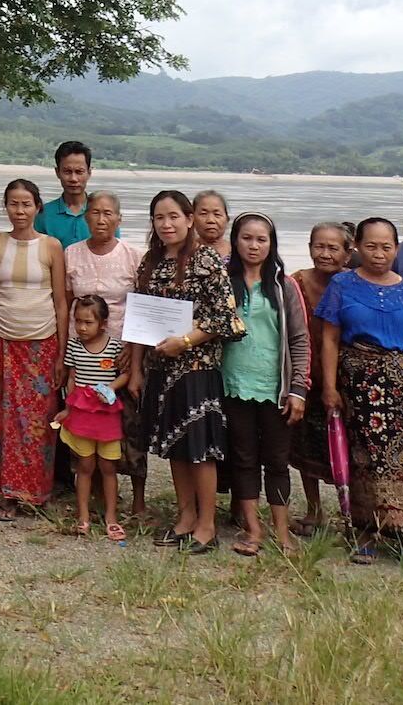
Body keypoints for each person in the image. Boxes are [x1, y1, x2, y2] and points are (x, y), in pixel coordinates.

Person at [316, 217, 403, 564]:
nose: (379, 254)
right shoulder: (342, 284)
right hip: (358, 385)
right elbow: (330, 338)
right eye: (371, 246)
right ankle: (365, 531)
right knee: (361, 458)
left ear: (397, 248)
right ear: (357, 248)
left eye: (386, 247)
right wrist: (330, 386)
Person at [135, 189, 235, 553]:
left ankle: (207, 524)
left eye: (174, 216)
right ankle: (185, 517)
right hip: (161, 366)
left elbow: (226, 317)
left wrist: (187, 341)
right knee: (175, 445)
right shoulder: (151, 261)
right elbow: (141, 314)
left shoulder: (207, 259)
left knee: (200, 448)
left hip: (196, 367)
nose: (167, 224)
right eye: (159, 218)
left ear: (189, 219)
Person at [221, 213, 310, 556]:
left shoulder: (283, 285)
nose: (254, 246)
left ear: (271, 244)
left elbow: (300, 340)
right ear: (235, 241)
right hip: (233, 383)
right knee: (243, 457)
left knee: (276, 459)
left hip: (276, 387)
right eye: (247, 238)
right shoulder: (224, 282)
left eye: (261, 239)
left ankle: (283, 532)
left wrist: (298, 389)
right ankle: (253, 530)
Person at [0, 178, 67, 521]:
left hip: (42, 342)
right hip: (1, 338)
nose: (19, 210)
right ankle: (8, 493)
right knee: (5, 420)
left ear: (37, 208)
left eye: (26, 204)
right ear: (6, 207)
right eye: (13, 204)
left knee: (38, 421)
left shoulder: (51, 246)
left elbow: (61, 302)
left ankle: (37, 493)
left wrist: (61, 353)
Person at [64, 190, 146, 522]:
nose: (101, 219)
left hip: (125, 351)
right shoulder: (71, 254)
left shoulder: (133, 255)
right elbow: (66, 302)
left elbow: (142, 305)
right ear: (86, 217)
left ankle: (138, 500)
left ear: (119, 219)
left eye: (108, 213)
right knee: (89, 423)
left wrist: (134, 352)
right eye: (95, 212)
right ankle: (96, 496)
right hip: (82, 351)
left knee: (131, 427)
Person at [289, 221, 353, 534]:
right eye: (319, 246)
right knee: (305, 446)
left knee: (351, 447)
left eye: (333, 248)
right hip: (306, 374)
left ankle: (355, 512)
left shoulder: (355, 283)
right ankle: (314, 510)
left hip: (348, 378)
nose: (325, 254)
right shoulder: (296, 282)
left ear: (347, 252)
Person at [55, 294, 126, 541]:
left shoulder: (115, 346)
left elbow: (125, 373)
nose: (82, 327)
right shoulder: (74, 346)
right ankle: (83, 515)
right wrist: (67, 407)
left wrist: (112, 388)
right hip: (81, 413)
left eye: (88, 322)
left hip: (106, 414)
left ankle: (111, 516)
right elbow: (72, 378)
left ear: (103, 323)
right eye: (78, 322)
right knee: (84, 465)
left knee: (108, 466)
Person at [33, 142, 94, 247]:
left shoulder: (102, 212)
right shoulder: (43, 214)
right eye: (67, 172)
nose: (73, 179)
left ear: (89, 172)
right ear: (57, 172)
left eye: (79, 172)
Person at [190, 189, 231, 264]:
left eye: (217, 214)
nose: (211, 220)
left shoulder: (238, 252)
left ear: (227, 220)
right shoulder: (184, 252)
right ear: (192, 219)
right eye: (203, 214)